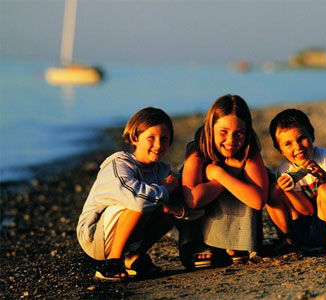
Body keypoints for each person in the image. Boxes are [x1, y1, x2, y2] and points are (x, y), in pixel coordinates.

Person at [76, 107, 185, 281]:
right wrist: (165, 189)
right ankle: (112, 262)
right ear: (135, 138)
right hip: (95, 236)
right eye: (151, 138)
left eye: (164, 139)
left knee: (171, 209)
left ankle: (133, 257)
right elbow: (137, 200)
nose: (158, 145)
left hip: (129, 232)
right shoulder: (120, 164)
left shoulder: (162, 170)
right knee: (139, 201)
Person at [179, 94, 269, 268]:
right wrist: (225, 174)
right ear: (210, 128)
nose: (231, 141)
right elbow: (193, 199)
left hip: (240, 229)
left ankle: (236, 244)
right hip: (201, 224)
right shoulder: (197, 149)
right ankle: (197, 245)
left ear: (247, 131)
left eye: (239, 133)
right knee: (180, 182)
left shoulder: (248, 149)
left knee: (259, 181)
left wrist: (221, 174)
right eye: (223, 132)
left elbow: (258, 201)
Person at [266, 108, 326, 255]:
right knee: (274, 190)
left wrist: (325, 176)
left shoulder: (325, 157)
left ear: (312, 136)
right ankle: (288, 240)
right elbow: (307, 211)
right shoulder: (285, 170)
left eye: (301, 139)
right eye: (288, 144)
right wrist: (289, 191)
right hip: (304, 229)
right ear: (280, 150)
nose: (298, 147)